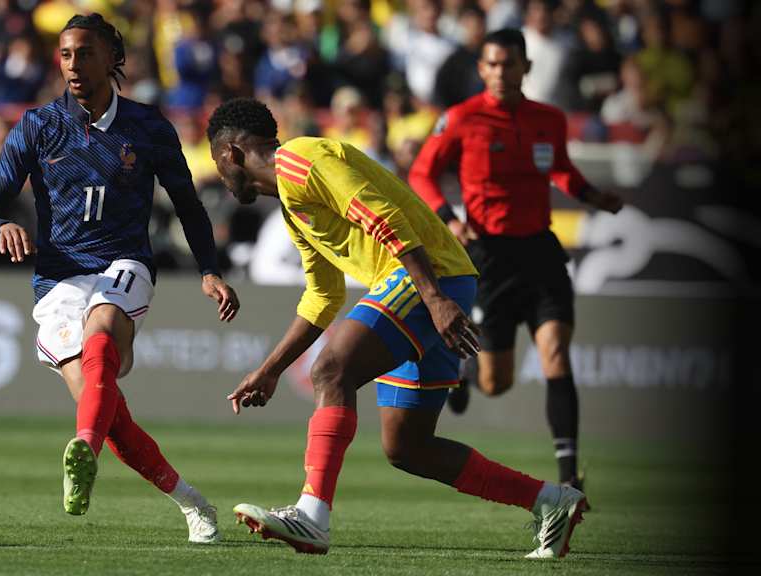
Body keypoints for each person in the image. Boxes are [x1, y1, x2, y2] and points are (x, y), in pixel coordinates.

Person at [206, 97, 588, 558]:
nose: (220, 174)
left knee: (331, 369)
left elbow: (383, 214)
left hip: (426, 279)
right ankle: (550, 501)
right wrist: (270, 368)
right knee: (408, 446)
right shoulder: (291, 203)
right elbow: (322, 295)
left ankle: (311, 515)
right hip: (436, 283)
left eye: (215, 161)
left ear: (230, 153)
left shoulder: (304, 160)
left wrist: (434, 298)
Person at [0, 13, 239, 545]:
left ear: (111, 60)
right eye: (65, 54)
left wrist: (209, 270)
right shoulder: (37, 127)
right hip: (58, 280)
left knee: (103, 330)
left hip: (123, 263)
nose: (72, 64)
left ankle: (82, 451)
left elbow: (189, 205)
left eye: (84, 53)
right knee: (106, 402)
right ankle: (192, 503)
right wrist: (1, 226)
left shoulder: (148, 127)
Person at [409, 29, 623, 492]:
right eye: (492, 64)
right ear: (482, 69)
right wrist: (450, 218)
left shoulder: (548, 118)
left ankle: (569, 477)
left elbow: (561, 169)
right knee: (497, 381)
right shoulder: (462, 118)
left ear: (526, 67)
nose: (500, 72)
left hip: (540, 251)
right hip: (491, 256)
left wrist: (591, 195)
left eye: (509, 64)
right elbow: (422, 173)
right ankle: (467, 373)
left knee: (556, 354)